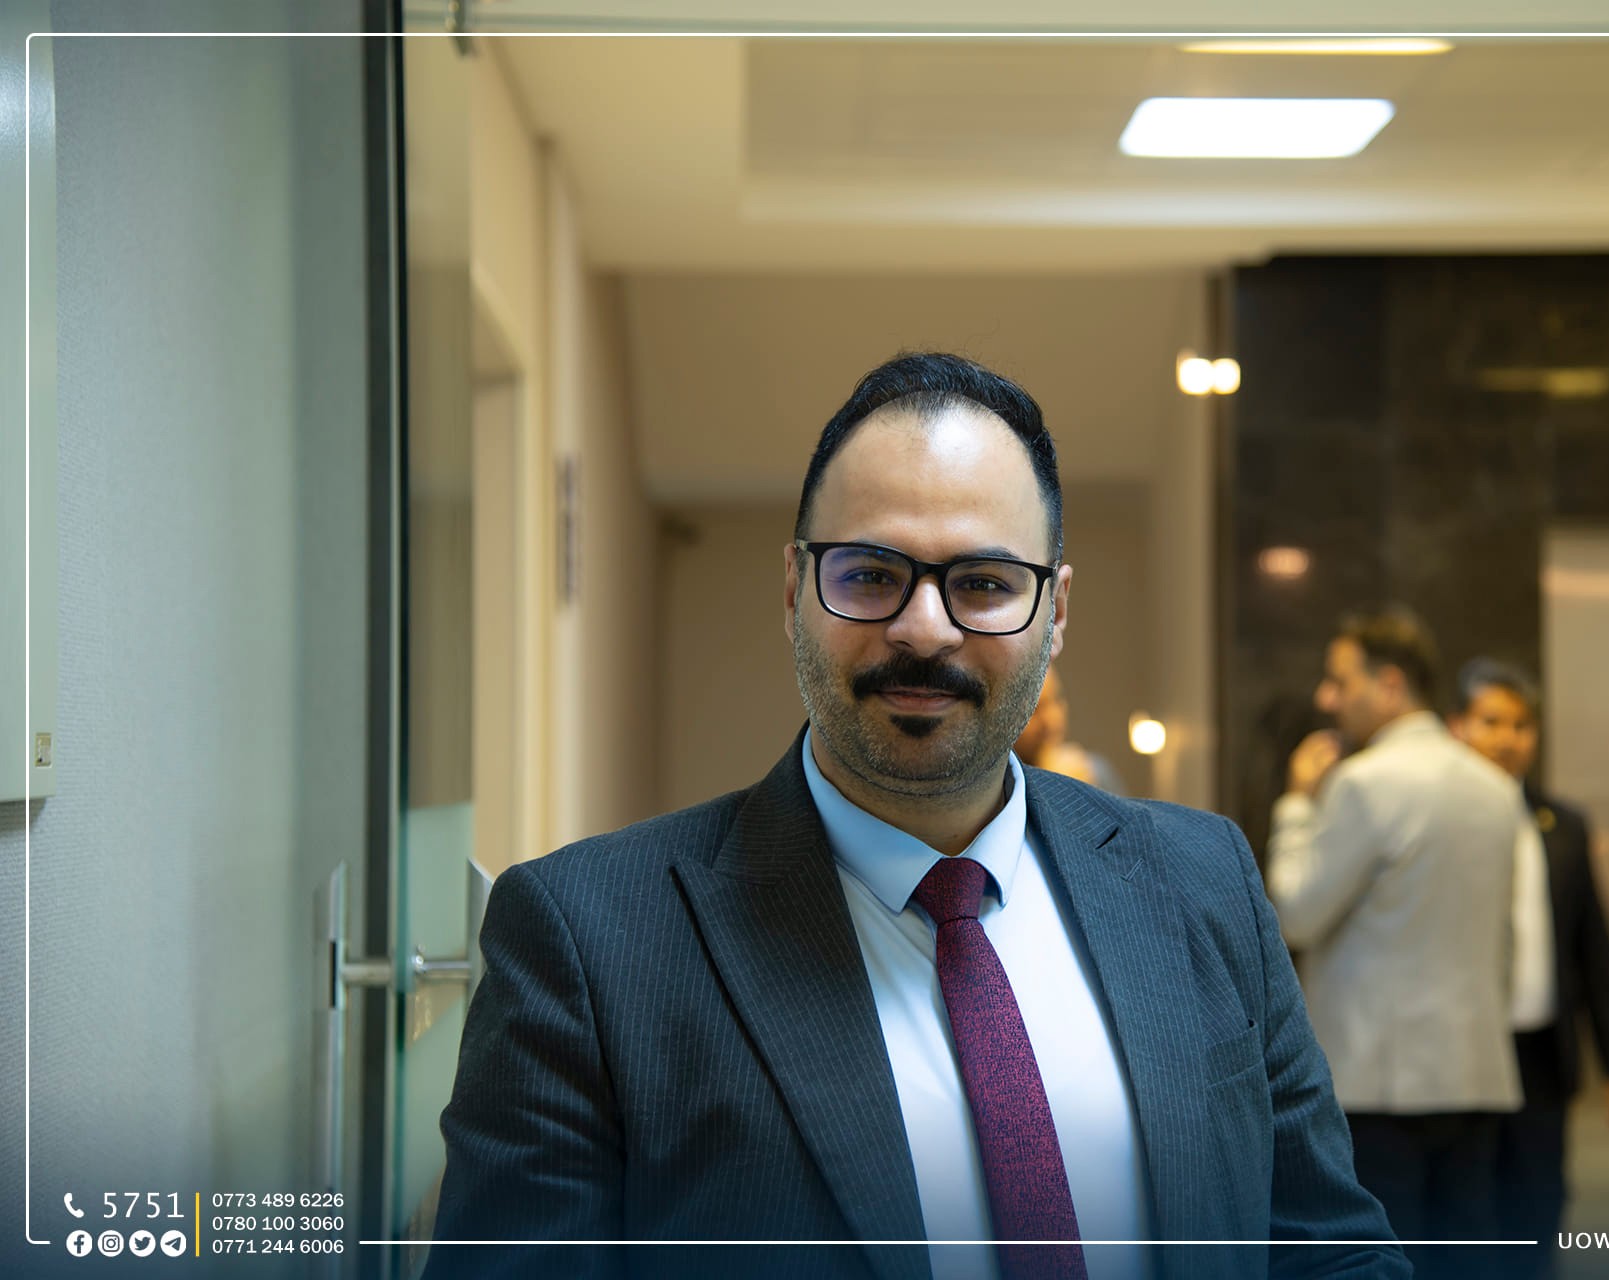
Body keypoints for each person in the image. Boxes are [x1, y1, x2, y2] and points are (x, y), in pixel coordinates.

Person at [428, 353, 1408, 1280]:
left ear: (1056, 611)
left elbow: (1330, 1249)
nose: (924, 629)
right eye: (870, 574)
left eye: (983, 583)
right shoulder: (587, 941)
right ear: (794, 590)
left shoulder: (1204, 879)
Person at [1264, 609, 1532, 1276]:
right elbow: (1504, 939)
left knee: (1384, 1259)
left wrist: (1296, 804)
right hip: (1477, 1075)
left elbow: (1296, 914)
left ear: (1389, 685)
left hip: (1381, 1082)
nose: (1327, 698)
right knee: (1466, 1261)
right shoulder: (1496, 788)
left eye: (1340, 681)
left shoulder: (1365, 782)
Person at [1451, 658, 1609, 1276]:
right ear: (1457, 726)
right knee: (1467, 1217)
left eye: (1522, 724)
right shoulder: (1437, 822)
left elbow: (1592, 945)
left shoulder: (1562, 827)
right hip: (1462, 1054)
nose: (1508, 738)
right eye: (1491, 721)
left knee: (1537, 1209)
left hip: (1540, 1054)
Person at [1013, 667, 1126, 793]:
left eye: (1056, 699)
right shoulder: (1002, 787)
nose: (1051, 719)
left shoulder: (1093, 773)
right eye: (1034, 708)